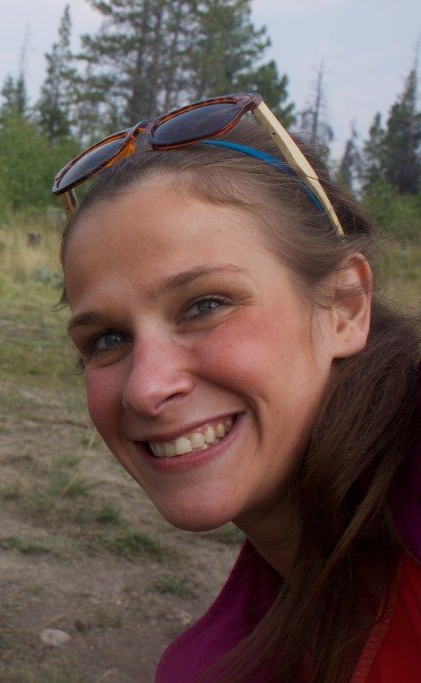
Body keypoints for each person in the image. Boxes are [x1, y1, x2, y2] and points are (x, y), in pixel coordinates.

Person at [52, 94, 421, 681]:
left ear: (344, 307)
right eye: (106, 339)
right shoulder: (215, 662)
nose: (146, 389)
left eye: (204, 305)